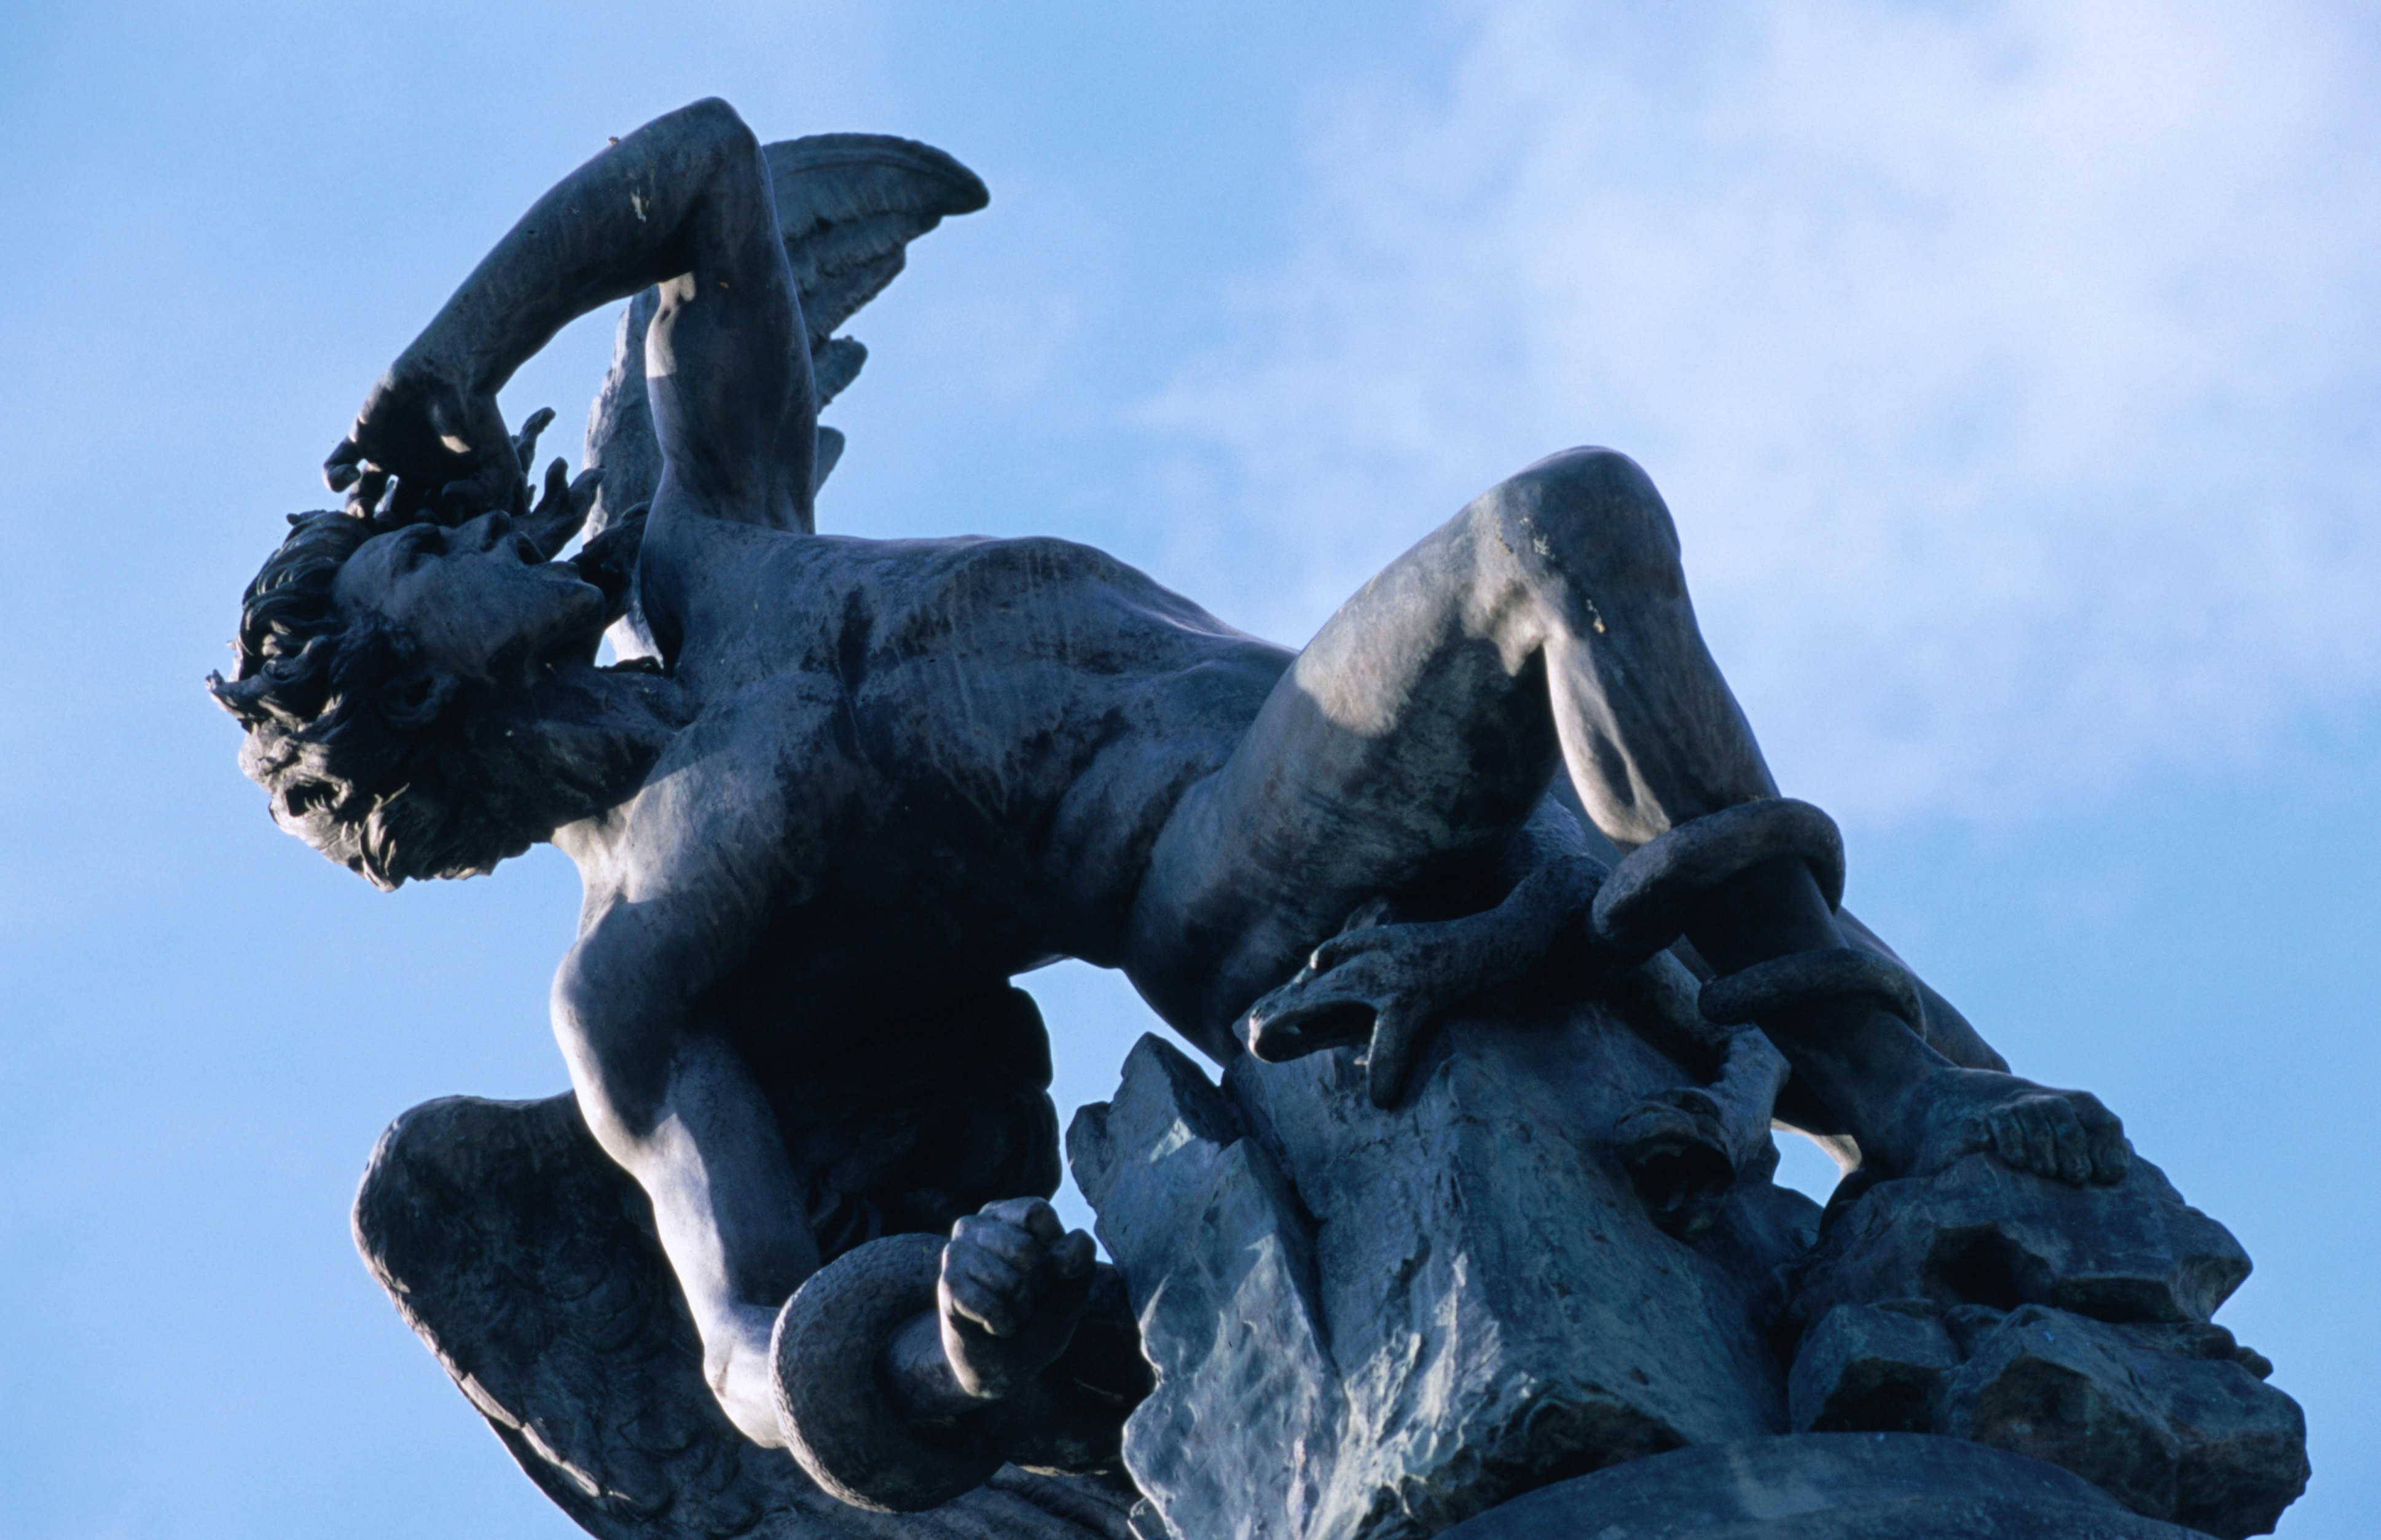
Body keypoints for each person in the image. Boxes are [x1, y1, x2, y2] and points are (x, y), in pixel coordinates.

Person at [213, 99, 2125, 1480]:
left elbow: (707, 166)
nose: (450, 517)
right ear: (389, 692)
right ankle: (1898, 1097)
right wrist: (955, 1342)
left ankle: (1905, 1099)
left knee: (1571, 539)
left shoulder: (705, 538)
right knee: (1557, 524)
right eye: (404, 557)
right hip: (1240, 876)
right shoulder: (640, 960)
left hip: (1330, 726)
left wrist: (458, 349)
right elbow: (747, 1350)